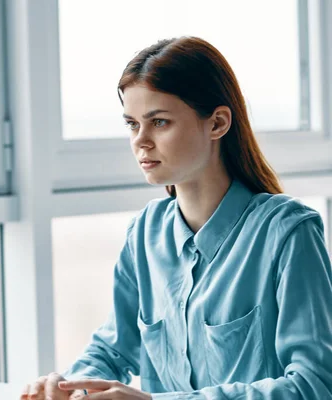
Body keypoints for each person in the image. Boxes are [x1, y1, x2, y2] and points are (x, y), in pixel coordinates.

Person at [23, 37, 332, 399]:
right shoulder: (144, 234)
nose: (141, 141)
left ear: (217, 123)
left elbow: (314, 385)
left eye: (159, 122)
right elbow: (112, 350)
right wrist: (66, 387)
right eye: (131, 124)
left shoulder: (287, 233)